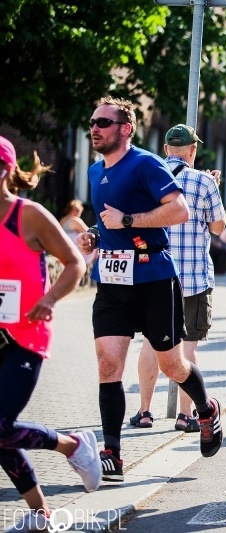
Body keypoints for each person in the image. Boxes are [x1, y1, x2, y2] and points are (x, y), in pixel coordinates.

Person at [77, 97, 223, 483]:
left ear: (126, 128)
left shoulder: (146, 163)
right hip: (112, 281)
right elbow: (108, 219)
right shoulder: (95, 171)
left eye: (104, 122)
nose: (96, 128)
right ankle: (112, 453)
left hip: (154, 279)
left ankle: (206, 410)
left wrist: (128, 220)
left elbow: (180, 211)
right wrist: (94, 234)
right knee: (109, 364)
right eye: (93, 121)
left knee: (171, 364)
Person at [0, 137, 102, 529]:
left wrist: (50, 299)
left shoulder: (29, 215)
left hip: (25, 335)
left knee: (0, 426)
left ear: (7, 171)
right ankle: (41, 515)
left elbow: (75, 263)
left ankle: (72, 445)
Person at [128, 123, 226, 433]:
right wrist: (213, 191)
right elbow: (219, 228)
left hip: (154, 276)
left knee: (150, 343)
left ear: (166, 150)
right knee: (187, 347)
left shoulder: (148, 180)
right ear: (193, 151)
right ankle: (186, 417)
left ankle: (144, 412)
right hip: (195, 277)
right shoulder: (203, 181)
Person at [59, 199, 97, 266]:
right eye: (77, 210)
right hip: (75, 248)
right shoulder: (75, 220)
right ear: (71, 209)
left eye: (80, 210)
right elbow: (89, 232)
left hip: (64, 248)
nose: (79, 212)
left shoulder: (62, 220)